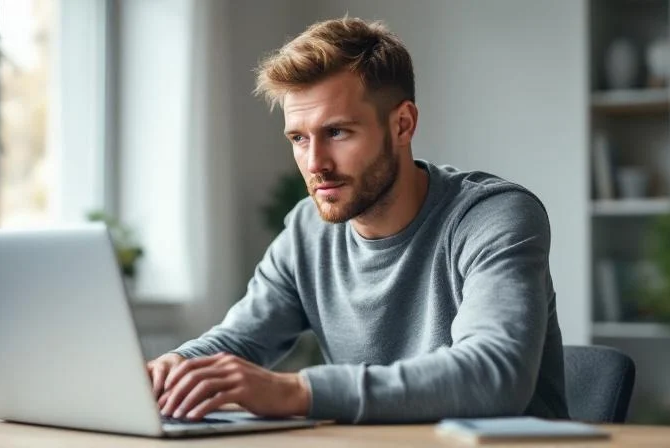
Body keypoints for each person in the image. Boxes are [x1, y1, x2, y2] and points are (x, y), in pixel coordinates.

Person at [146, 17, 569, 423]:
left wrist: (297, 392)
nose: (315, 164)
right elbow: (239, 341)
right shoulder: (305, 231)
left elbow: (494, 375)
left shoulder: (492, 216)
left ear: (402, 124)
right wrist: (174, 367)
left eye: (337, 133)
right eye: (299, 138)